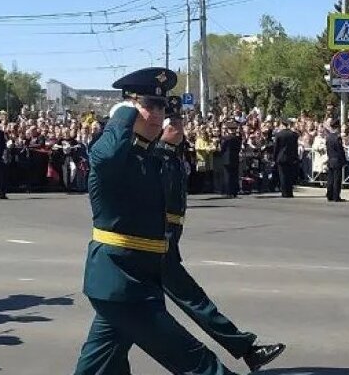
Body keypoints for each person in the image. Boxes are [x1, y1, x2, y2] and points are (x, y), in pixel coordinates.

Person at [73, 68, 238, 375]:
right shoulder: (109, 153)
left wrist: (169, 146)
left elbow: (168, 198)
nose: (157, 114)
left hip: (135, 280)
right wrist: (123, 112)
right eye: (149, 105)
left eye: (162, 107)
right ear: (130, 108)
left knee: (99, 365)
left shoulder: (148, 156)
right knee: (198, 363)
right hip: (121, 281)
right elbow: (107, 158)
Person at [155, 98, 286, 371]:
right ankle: (245, 348)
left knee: (116, 324)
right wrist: (166, 234)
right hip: (156, 241)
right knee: (192, 299)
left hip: (165, 238)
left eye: (180, 124)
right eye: (175, 125)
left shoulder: (170, 155)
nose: (180, 129)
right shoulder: (156, 157)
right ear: (163, 129)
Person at [273, 120, 299, 198]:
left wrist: (275, 158)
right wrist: (295, 157)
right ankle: (290, 192)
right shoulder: (294, 135)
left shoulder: (279, 135)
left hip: (281, 157)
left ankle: (284, 192)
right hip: (291, 157)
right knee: (289, 175)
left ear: (282, 125)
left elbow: (276, 148)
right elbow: (295, 147)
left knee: (283, 176)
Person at [325, 123, 347, 202]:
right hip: (337, 160)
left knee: (330, 179)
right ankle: (336, 196)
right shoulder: (337, 138)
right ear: (337, 128)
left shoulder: (328, 137)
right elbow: (340, 151)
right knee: (337, 179)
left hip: (330, 159)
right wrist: (344, 160)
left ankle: (329, 195)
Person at [220, 123, 241, 198]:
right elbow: (239, 148)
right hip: (235, 158)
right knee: (234, 175)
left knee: (227, 176)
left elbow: (222, 148)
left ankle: (228, 192)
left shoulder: (225, 138)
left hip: (227, 159)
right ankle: (234, 191)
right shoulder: (238, 138)